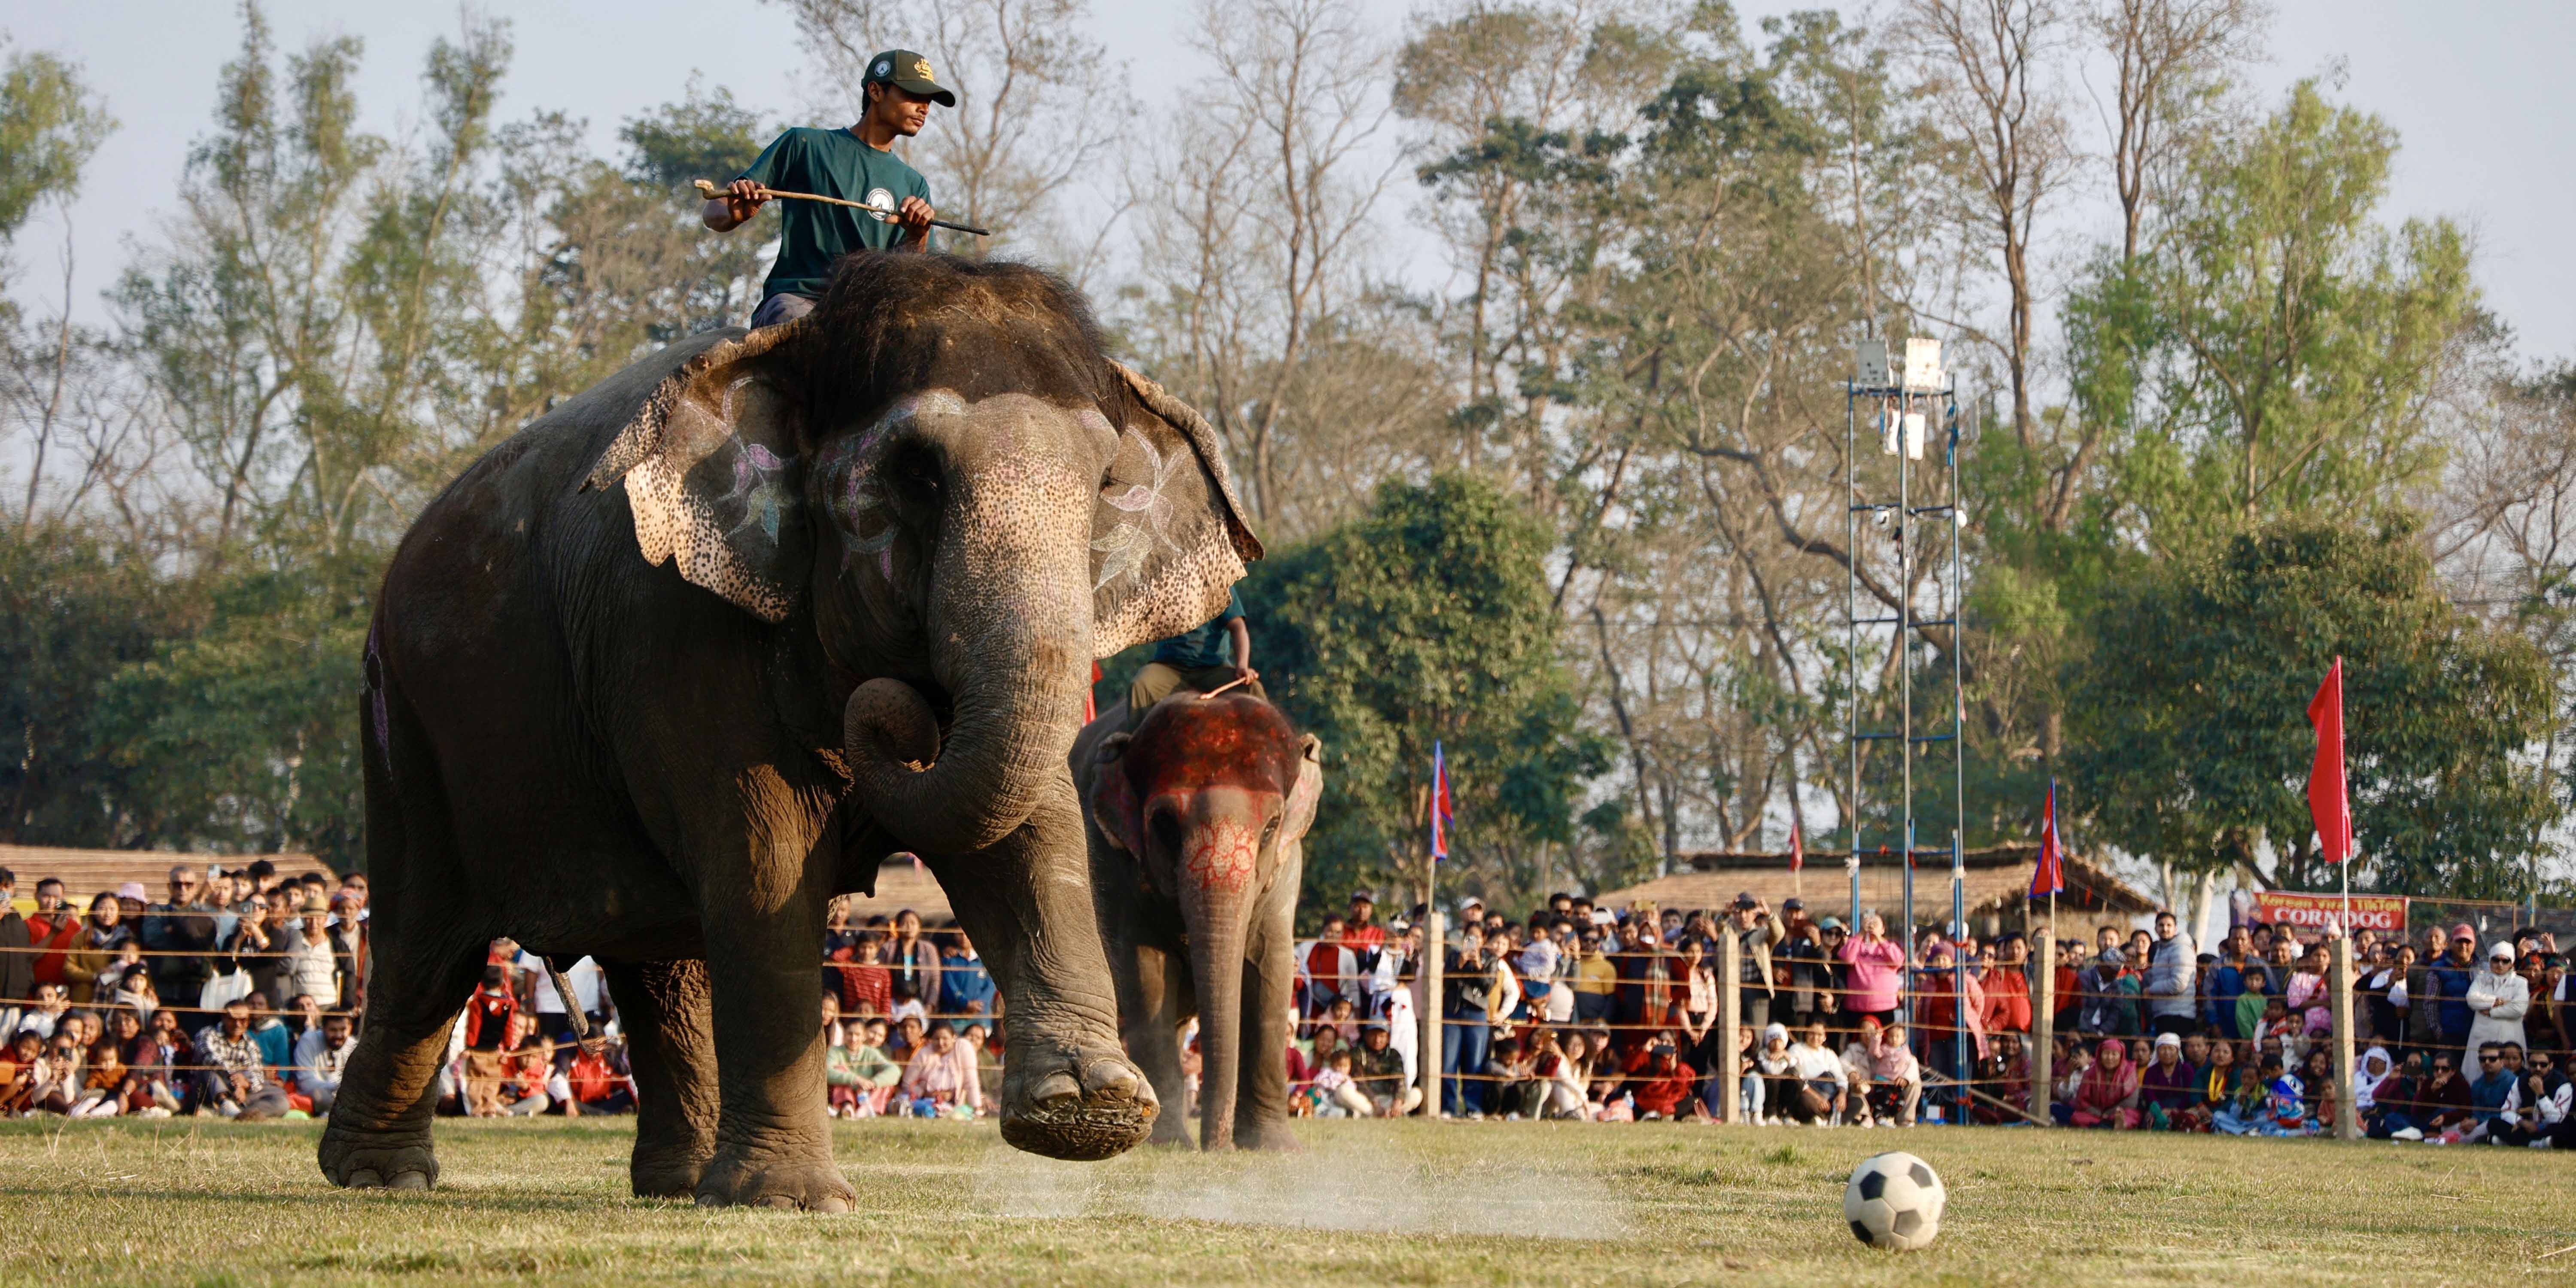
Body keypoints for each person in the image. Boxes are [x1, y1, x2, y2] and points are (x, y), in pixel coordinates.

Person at [707, 50, 948, 328]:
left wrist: (919, 235)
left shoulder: (914, 184)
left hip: (867, 318)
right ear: (876, 91)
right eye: (914, 96)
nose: (925, 108)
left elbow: (917, 280)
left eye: (928, 101)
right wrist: (734, 214)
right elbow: (714, 213)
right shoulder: (805, 145)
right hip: (799, 302)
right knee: (793, 321)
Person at [1127, 588, 1264, 716]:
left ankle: (1274, 740)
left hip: (1213, 669)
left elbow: (1238, 627)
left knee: (1253, 689)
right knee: (1141, 685)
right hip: (1169, 669)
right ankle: (1135, 739)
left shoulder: (1219, 582)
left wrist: (1242, 665)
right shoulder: (1163, 585)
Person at [2464, 941, 2530, 1066]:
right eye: (2496, 960)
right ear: (2490, 961)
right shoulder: (2481, 980)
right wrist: (2496, 1001)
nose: (2500, 964)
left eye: (2505, 961)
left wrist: (2491, 1012)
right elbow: (2472, 999)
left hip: (2510, 1036)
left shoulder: (2520, 983)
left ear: (2512, 963)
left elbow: (2519, 1009)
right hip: (2482, 1037)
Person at [1836, 911, 1906, 1030]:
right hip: (1857, 1007)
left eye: (1876, 924)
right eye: (1869, 923)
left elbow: (1898, 961)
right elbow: (1847, 958)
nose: (1872, 926)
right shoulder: (1856, 945)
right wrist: (1861, 935)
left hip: (1885, 1007)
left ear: (1883, 929)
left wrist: (1879, 938)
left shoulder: (1889, 946)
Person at [2143, 910, 2197, 1040]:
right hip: (2166, 1013)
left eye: (2169, 925)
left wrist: (2151, 990)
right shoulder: (2162, 950)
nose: (2165, 929)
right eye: (2161, 925)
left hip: (2178, 1015)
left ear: (2176, 928)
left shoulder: (2181, 948)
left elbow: (2178, 984)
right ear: (2156, 929)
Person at [295, 1012, 358, 1115]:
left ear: (350, 1028)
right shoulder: (308, 1041)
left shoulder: (353, 1045)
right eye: (333, 1030)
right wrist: (336, 1087)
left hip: (343, 1094)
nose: (338, 1035)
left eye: (343, 1030)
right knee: (321, 1096)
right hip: (317, 1092)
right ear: (323, 1028)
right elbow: (305, 1083)